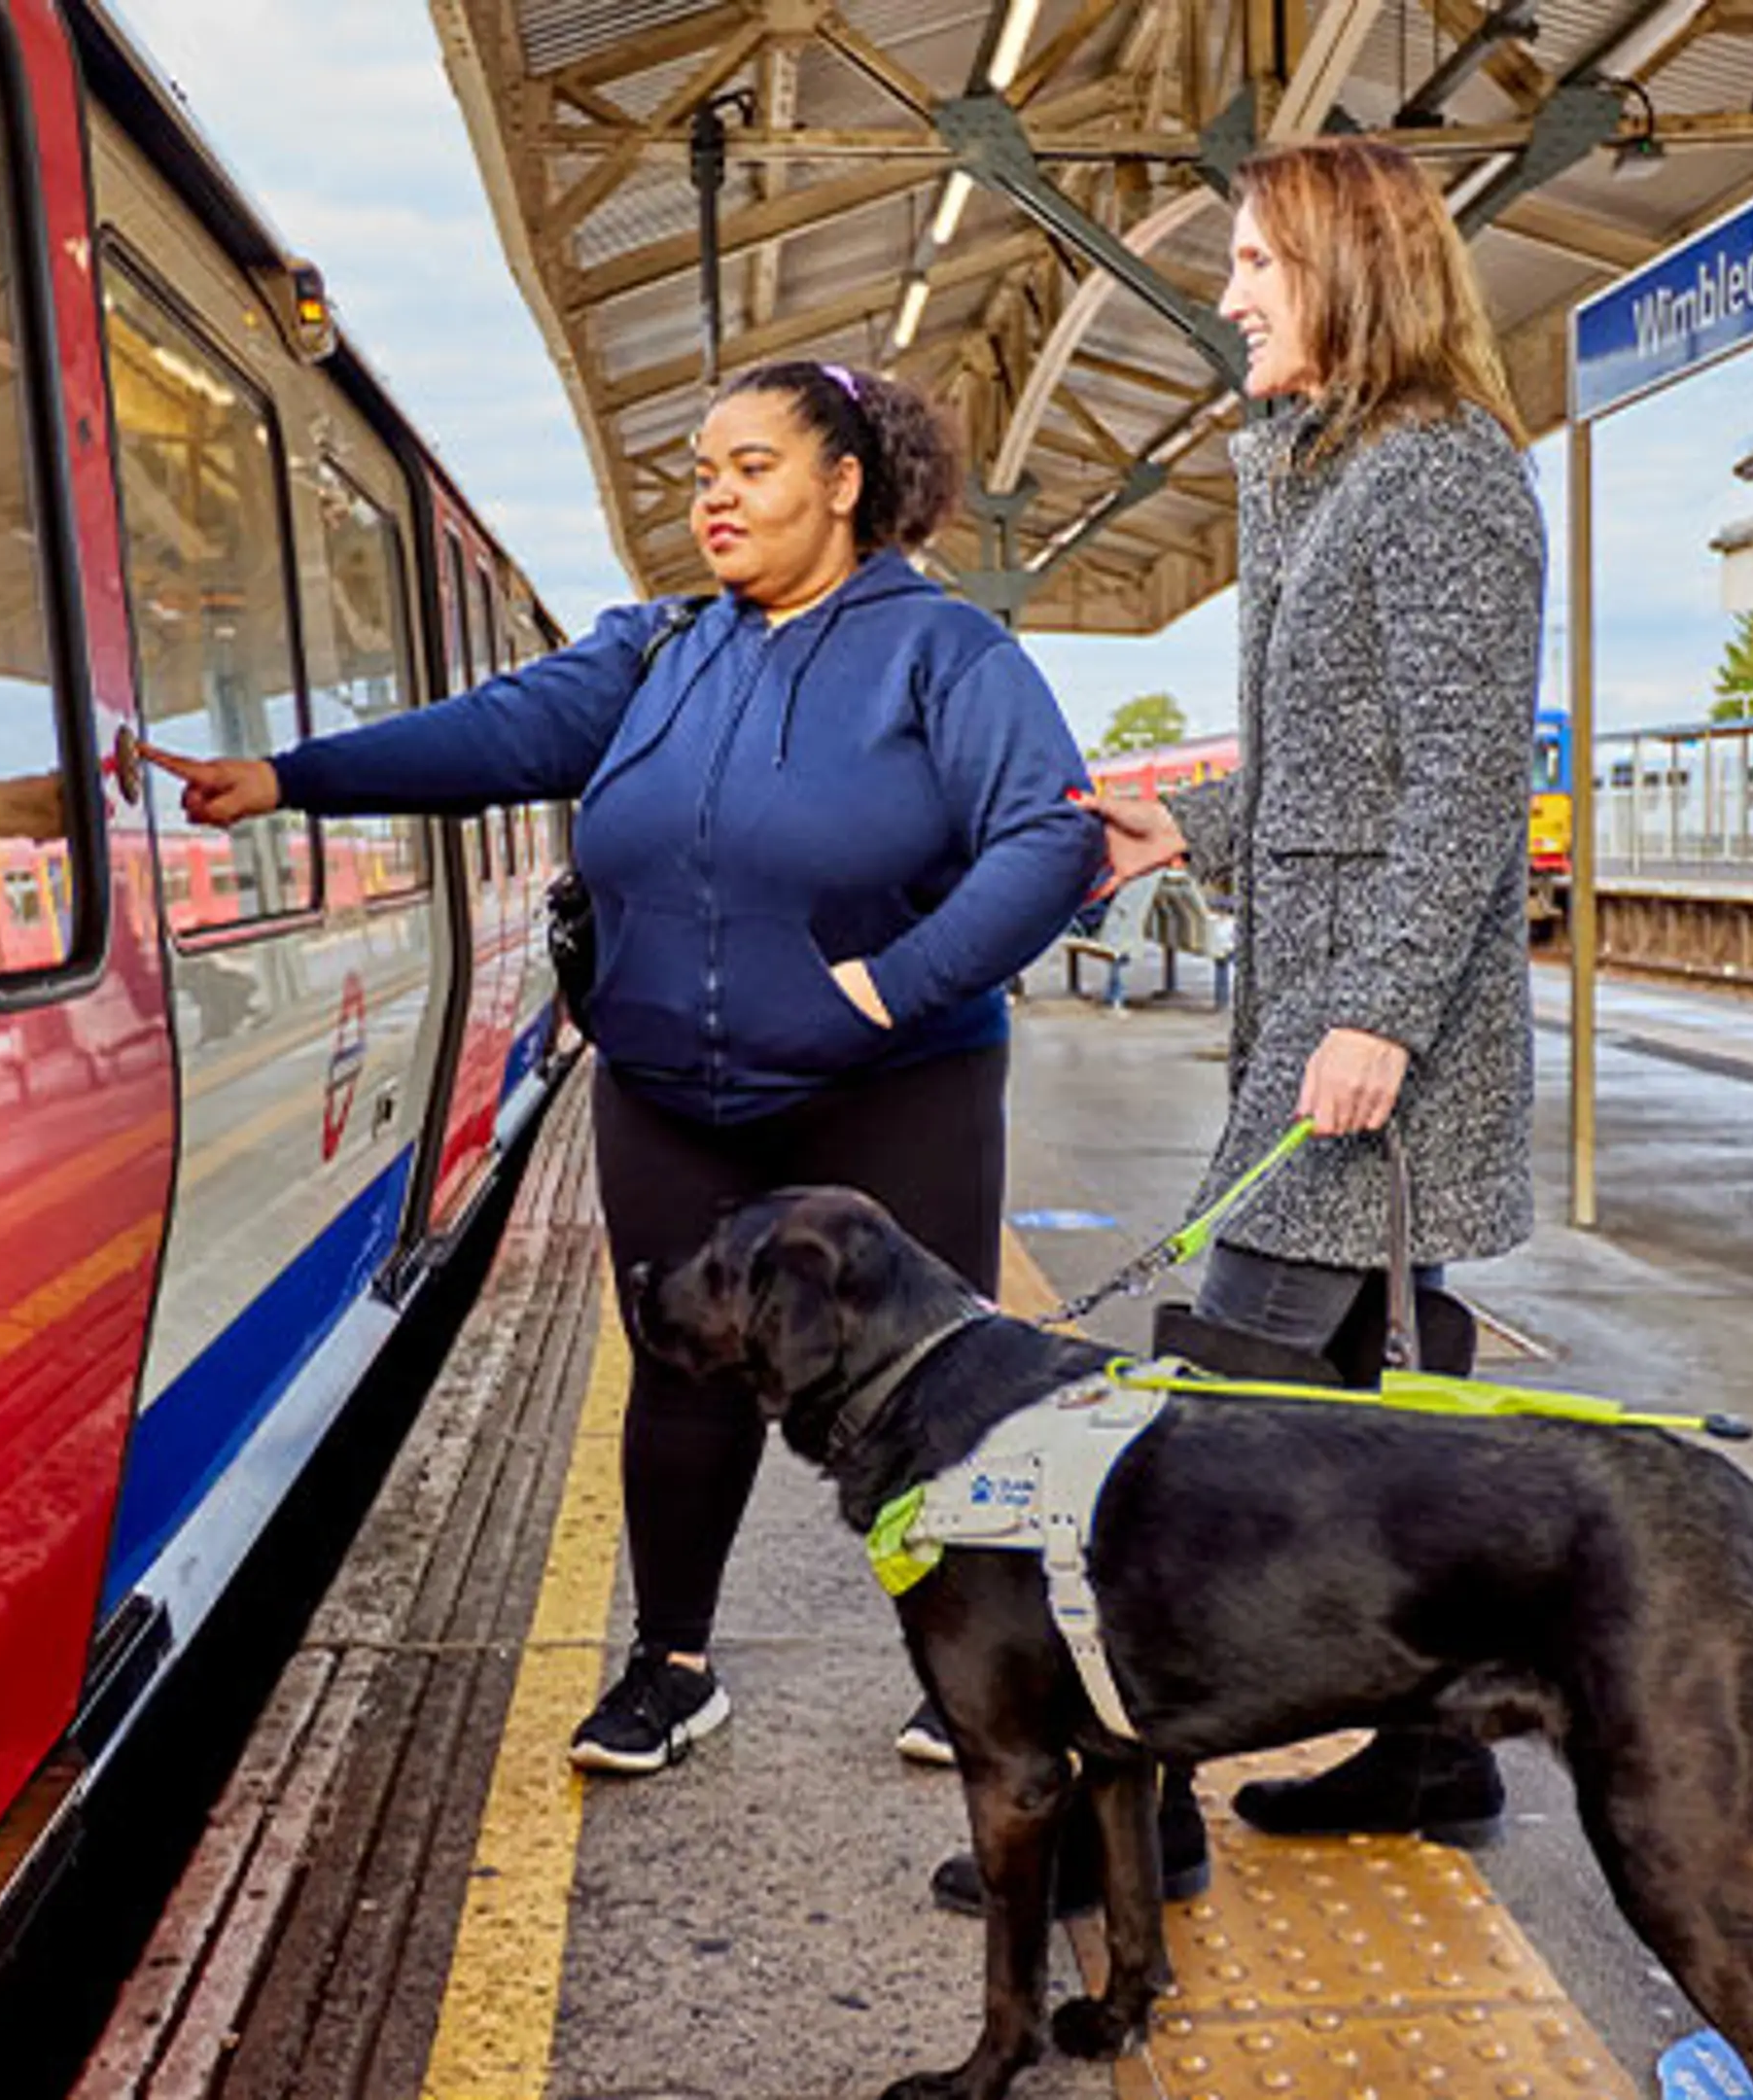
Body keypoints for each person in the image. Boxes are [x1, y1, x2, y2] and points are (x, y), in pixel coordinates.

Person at [145, 361, 1100, 1777]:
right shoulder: (658, 651)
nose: (714, 494)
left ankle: (972, 1660)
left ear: (845, 485)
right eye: (701, 470)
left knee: (940, 1379)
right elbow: (499, 732)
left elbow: (1049, 836)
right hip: (670, 1085)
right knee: (680, 1366)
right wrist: (292, 779)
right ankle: (672, 1665)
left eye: (752, 467)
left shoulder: (946, 656)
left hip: (894, 1081)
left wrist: (892, 990)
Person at [1057, 134, 1547, 1881]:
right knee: (1372, 1396)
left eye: (1258, 260)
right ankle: (1436, 1757)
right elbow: (1343, 759)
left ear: (1351, 269)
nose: (1229, 292)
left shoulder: (1439, 479)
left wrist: (1385, 1018)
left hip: (1368, 1035)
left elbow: (1465, 786)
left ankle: (1146, 1822)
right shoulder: (1329, 468)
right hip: (1331, 1010)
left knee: (1227, 1415)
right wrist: (1173, 827)